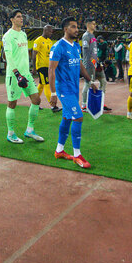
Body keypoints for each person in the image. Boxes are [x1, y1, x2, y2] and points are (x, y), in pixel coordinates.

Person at [49, 17, 97, 168]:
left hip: (74, 88)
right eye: (73, 27)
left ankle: (59, 150)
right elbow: (51, 69)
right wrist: (53, 93)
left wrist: (90, 80)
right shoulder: (58, 47)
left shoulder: (76, 46)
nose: (77, 30)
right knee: (78, 117)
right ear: (65, 29)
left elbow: (81, 66)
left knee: (67, 118)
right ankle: (77, 155)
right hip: (64, 90)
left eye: (77, 27)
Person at [3, 10, 44, 144]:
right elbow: (8, 56)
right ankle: (11, 133)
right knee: (12, 103)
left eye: (22, 17)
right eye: (18, 17)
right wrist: (17, 73)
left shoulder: (23, 34)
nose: (22, 19)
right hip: (14, 75)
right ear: (12, 19)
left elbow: (24, 54)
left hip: (25, 73)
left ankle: (30, 130)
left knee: (36, 100)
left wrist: (29, 69)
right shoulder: (8, 36)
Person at [81, 18, 110, 112]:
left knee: (103, 81)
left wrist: (98, 62)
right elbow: (86, 52)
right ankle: (84, 105)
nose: (95, 25)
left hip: (95, 63)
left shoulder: (93, 36)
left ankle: (101, 102)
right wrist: (91, 63)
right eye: (93, 24)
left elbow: (94, 52)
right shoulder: (86, 36)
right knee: (88, 83)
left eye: (95, 24)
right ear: (88, 24)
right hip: (89, 64)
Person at [32, 24, 57, 111]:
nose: (51, 33)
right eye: (50, 31)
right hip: (41, 66)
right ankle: (53, 106)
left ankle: (35, 103)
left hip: (49, 66)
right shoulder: (38, 41)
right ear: (45, 31)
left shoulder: (50, 41)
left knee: (41, 84)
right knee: (47, 84)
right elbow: (34, 55)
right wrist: (34, 68)